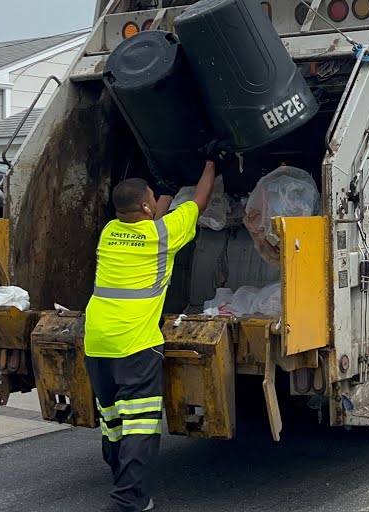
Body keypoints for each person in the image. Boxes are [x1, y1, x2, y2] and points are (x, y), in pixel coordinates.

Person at [84, 151, 222, 512]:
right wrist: (209, 165)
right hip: (136, 346)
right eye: (151, 200)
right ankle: (128, 499)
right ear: (146, 209)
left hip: (97, 341)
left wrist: (162, 189)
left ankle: (120, 479)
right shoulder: (161, 235)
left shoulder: (109, 233)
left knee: (112, 420)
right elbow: (200, 202)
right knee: (140, 426)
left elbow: (152, 220)